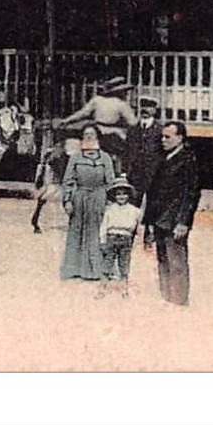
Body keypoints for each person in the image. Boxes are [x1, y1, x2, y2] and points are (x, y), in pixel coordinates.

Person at [143, 120, 202, 306]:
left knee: (176, 262)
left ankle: (179, 301)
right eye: (162, 136)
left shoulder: (187, 160)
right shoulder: (164, 158)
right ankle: (166, 298)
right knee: (162, 260)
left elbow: (191, 194)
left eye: (167, 137)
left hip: (174, 221)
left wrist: (183, 222)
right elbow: (153, 192)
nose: (163, 140)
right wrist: (149, 223)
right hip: (158, 219)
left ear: (180, 138)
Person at [59, 124, 118, 282]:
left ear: (98, 138)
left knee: (98, 233)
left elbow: (111, 181)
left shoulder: (105, 158)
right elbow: (68, 181)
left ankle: (98, 270)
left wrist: (111, 202)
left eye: (92, 134)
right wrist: (67, 201)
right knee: (77, 232)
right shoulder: (75, 157)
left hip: (99, 198)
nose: (89, 137)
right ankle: (74, 269)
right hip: (80, 198)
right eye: (86, 134)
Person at [56, 75, 138, 162]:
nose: (126, 94)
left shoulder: (97, 100)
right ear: (120, 91)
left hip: (96, 131)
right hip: (114, 133)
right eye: (124, 91)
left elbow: (82, 113)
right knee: (128, 151)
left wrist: (66, 120)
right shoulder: (121, 104)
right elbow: (133, 122)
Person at [98, 175, 140, 298]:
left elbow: (138, 228)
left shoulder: (134, 211)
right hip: (111, 237)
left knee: (124, 265)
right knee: (107, 264)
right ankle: (102, 289)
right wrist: (102, 240)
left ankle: (124, 290)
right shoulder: (110, 209)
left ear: (128, 195)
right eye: (118, 194)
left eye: (124, 194)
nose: (121, 197)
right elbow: (104, 226)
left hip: (126, 238)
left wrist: (136, 241)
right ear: (114, 196)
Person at [124, 96, 165, 206]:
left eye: (149, 107)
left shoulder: (161, 130)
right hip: (135, 173)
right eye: (143, 106)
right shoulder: (132, 129)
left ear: (155, 110)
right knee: (133, 202)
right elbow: (127, 151)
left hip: (154, 173)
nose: (145, 109)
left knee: (153, 203)